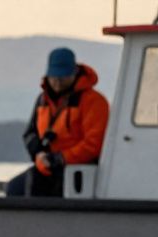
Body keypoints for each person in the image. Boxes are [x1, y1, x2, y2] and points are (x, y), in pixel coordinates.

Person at [6, 47, 109, 197]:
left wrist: (61, 158)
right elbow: (30, 134)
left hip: (78, 170)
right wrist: (39, 154)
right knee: (14, 189)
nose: (57, 82)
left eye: (63, 77)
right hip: (46, 168)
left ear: (74, 73)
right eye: (53, 77)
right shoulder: (42, 100)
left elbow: (94, 144)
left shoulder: (94, 102)